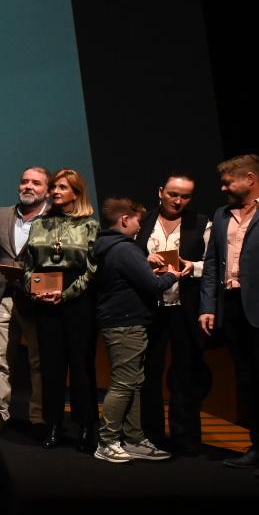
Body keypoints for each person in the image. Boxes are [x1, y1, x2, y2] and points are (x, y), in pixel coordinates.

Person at [92, 197, 178, 463]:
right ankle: (107, 442)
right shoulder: (125, 249)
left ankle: (134, 439)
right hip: (126, 322)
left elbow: (130, 277)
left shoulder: (108, 247)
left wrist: (146, 268)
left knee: (133, 382)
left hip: (122, 320)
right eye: (138, 220)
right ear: (125, 219)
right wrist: (172, 274)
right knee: (124, 383)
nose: (140, 225)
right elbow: (153, 286)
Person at [20, 167, 100, 451]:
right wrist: (36, 289)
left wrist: (65, 294)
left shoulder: (89, 224)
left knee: (81, 366)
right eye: (53, 187)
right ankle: (53, 425)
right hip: (45, 301)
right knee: (51, 367)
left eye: (62, 188)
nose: (55, 192)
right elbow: (29, 265)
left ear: (76, 193)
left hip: (77, 300)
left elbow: (92, 269)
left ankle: (87, 426)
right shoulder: (39, 224)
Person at [138, 172, 212, 452]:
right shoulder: (144, 220)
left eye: (185, 196)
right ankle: (151, 434)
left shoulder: (201, 223)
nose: (178, 201)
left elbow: (213, 264)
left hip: (185, 308)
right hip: (150, 308)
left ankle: (185, 437)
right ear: (161, 192)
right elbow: (128, 255)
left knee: (186, 373)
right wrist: (144, 260)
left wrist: (193, 266)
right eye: (173, 194)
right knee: (149, 372)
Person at [199, 154, 259, 472]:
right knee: (247, 378)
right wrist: (208, 307)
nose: (222, 188)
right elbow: (211, 265)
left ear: (250, 179)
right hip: (232, 307)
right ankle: (256, 446)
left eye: (228, 182)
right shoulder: (222, 215)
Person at [0, 167, 49, 435]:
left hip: (36, 299)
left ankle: (38, 416)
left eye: (35, 183)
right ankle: (0, 412)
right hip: (3, 298)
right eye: (24, 181)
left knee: (38, 360)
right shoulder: (3, 214)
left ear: (46, 189)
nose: (28, 186)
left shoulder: (54, 218)